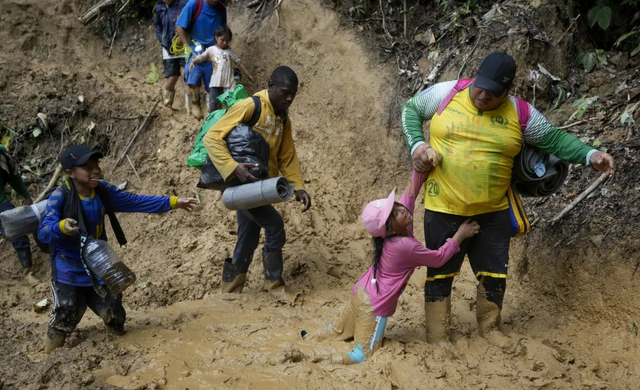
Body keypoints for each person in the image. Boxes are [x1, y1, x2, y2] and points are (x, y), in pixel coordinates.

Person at [400, 52, 616, 345]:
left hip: (493, 211)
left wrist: (591, 154)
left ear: (509, 90)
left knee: (494, 273)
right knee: (440, 272)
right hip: (443, 207)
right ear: (475, 77)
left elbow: (555, 140)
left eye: (494, 91)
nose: (484, 95)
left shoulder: (521, 113)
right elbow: (410, 109)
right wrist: (417, 145)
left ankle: (489, 330)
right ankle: (437, 335)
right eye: (481, 86)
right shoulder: (447, 94)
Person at [301, 170, 480, 364]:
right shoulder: (405, 246)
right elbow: (438, 259)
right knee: (362, 355)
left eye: (395, 206)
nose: (401, 209)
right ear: (389, 229)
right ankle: (316, 360)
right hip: (374, 307)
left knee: (337, 332)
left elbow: (409, 195)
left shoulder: (397, 229)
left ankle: (306, 338)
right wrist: (461, 234)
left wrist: (419, 170)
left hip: (361, 292)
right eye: (394, 212)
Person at [38, 145, 199, 354]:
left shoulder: (103, 191)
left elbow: (135, 201)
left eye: (96, 165)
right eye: (87, 167)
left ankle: (121, 351)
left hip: (98, 264)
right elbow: (43, 232)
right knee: (65, 315)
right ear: (70, 173)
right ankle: (48, 358)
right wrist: (61, 227)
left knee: (114, 313)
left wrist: (174, 202)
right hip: (68, 267)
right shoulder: (60, 197)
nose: (95, 170)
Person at [203, 66, 312, 293]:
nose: (290, 98)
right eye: (285, 92)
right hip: (243, 186)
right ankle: (274, 286)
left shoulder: (283, 117)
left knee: (248, 235)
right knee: (275, 225)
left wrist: (299, 187)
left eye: (293, 94)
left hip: (261, 187)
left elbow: (287, 155)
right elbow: (212, 136)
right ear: (270, 85)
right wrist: (234, 168)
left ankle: (230, 290)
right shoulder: (250, 106)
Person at [176, 0, 227, 120]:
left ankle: (212, 110)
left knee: (213, 82)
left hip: (213, 52)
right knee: (193, 77)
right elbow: (180, 26)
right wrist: (186, 46)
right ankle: (195, 102)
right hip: (195, 49)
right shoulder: (194, 4)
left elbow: (224, 30)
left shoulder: (221, 9)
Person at [189, 25, 254, 111]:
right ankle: (214, 122)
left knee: (233, 105)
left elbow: (239, 63)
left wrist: (248, 74)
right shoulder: (211, 50)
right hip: (216, 83)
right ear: (216, 37)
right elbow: (202, 57)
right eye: (222, 40)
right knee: (214, 107)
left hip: (229, 82)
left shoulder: (230, 51)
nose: (224, 43)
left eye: (227, 41)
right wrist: (194, 61)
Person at [0, 144, 38, 285]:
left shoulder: (2, 155)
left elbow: (13, 177)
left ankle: (28, 270)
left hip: (1, 203)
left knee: (16, 228)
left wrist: (26, 195)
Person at [154, 0, 190, 111]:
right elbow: (157, 26)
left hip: (183, 44)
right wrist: (162, 39)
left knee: (186, 76)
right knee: (172, 78)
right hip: (168, 47)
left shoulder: (184, 4)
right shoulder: (159, 8)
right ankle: (167, 104)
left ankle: (190, 107)